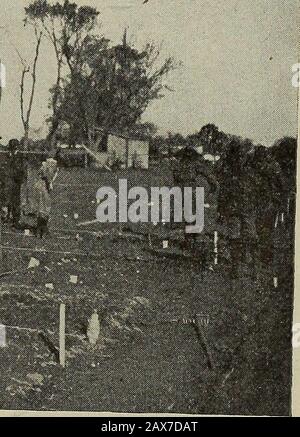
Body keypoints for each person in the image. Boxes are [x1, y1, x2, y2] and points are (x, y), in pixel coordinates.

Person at [21, 158, 58, 238]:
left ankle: (39, 230)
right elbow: (48, 177)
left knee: (41, 208)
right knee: (45, 208)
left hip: (38, 186)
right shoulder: (51, 163)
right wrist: (50, 184)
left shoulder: (44, 165)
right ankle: (42, 230)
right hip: (43, 187)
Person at [6, 139, 27, 227]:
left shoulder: (19, 156)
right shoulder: (10, 155)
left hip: (16, 181)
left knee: (16, 200)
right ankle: (9, 216)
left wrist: (20, 178)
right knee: (9, 199)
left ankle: (16, 219)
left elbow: (22, 169)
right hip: (10, 180)